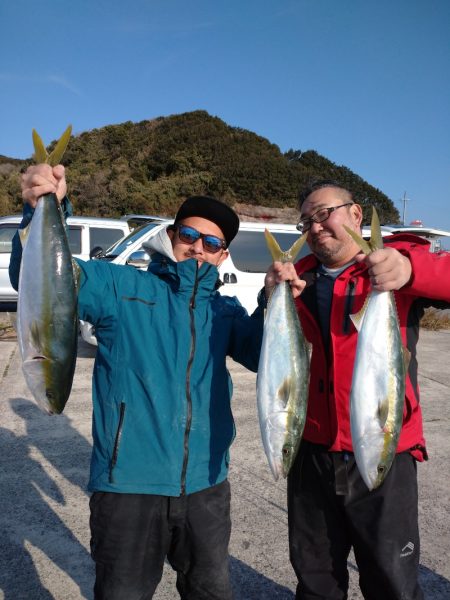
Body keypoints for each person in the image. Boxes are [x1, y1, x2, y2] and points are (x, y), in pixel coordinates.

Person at [10, 163, 301, 600]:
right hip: (127, 487)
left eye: (212, 242)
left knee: (211, 592)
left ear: (222, 255)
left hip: (206, 487)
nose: (197, 247)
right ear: (171, 236)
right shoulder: (118, 286)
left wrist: (273, 299)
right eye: (188, 235)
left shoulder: (222, 312)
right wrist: (42, 210)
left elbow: (265, 354)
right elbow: (41, 282)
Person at [270, 179, 450, 600]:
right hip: (311, 452)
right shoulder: (301, 280)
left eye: (323, 213)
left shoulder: (396, 262)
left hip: (386, 446)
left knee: (392, 581)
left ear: (355, 214)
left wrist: (409, 271)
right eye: (305, 222)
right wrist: (274, 298)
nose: (314, 227)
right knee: (315, 579)